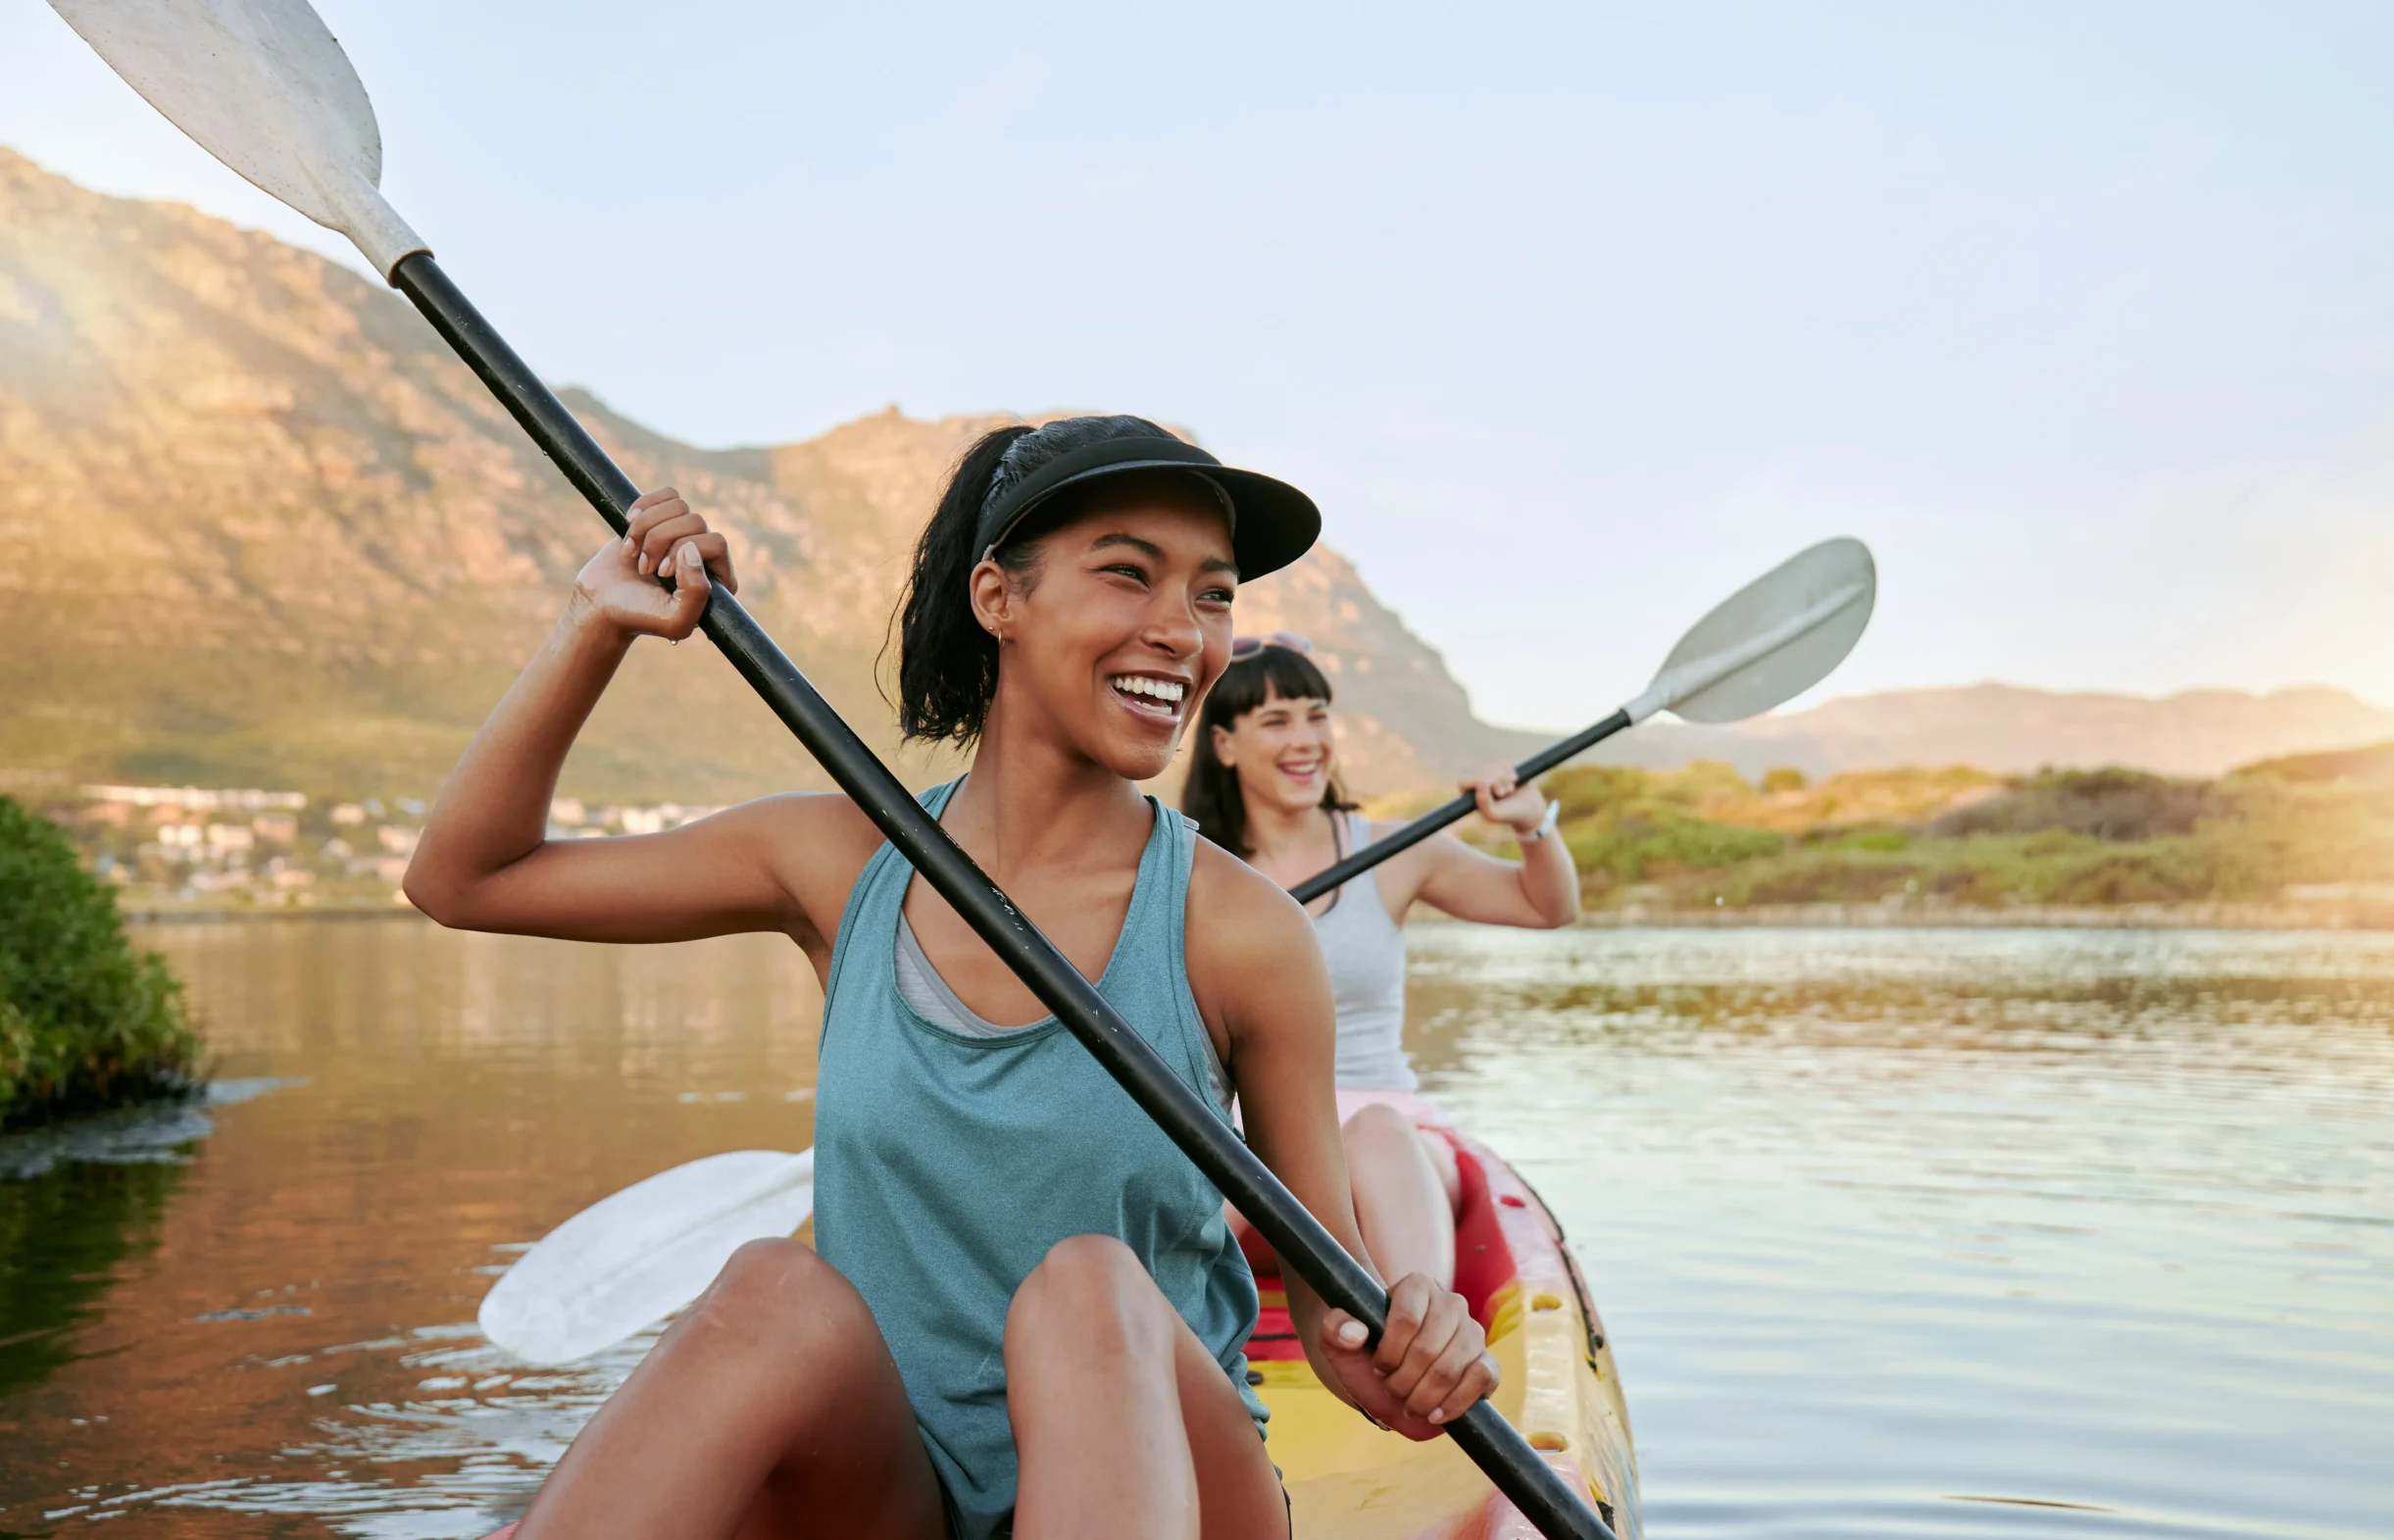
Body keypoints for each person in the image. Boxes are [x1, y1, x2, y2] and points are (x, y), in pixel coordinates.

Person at [403, 416, 1497, 1540]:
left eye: (1212, 595)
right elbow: (467, 877)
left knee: (1086, 1286)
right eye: (1128, 573)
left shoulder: (1241, 930)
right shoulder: (837, 861)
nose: (1181, 631)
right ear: (997, 597)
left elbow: (1331, 1308)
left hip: (1181, 1484)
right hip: (898, 1493)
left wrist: (1406, 1344)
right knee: (770, 1290)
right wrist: (595, 625)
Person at [1180, 641, 1579, 1287]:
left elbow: (1545, 906)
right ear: (1224, 744)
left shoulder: (1395, 849)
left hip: (1390, 1156)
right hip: (1250, 1164)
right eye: (1277, 721)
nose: (1306, 739)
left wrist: (1533, 825)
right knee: (1227, 1157)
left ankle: (1422, 1342)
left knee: (1375, 1132)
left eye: (1316, 715)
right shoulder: (1189, 870)